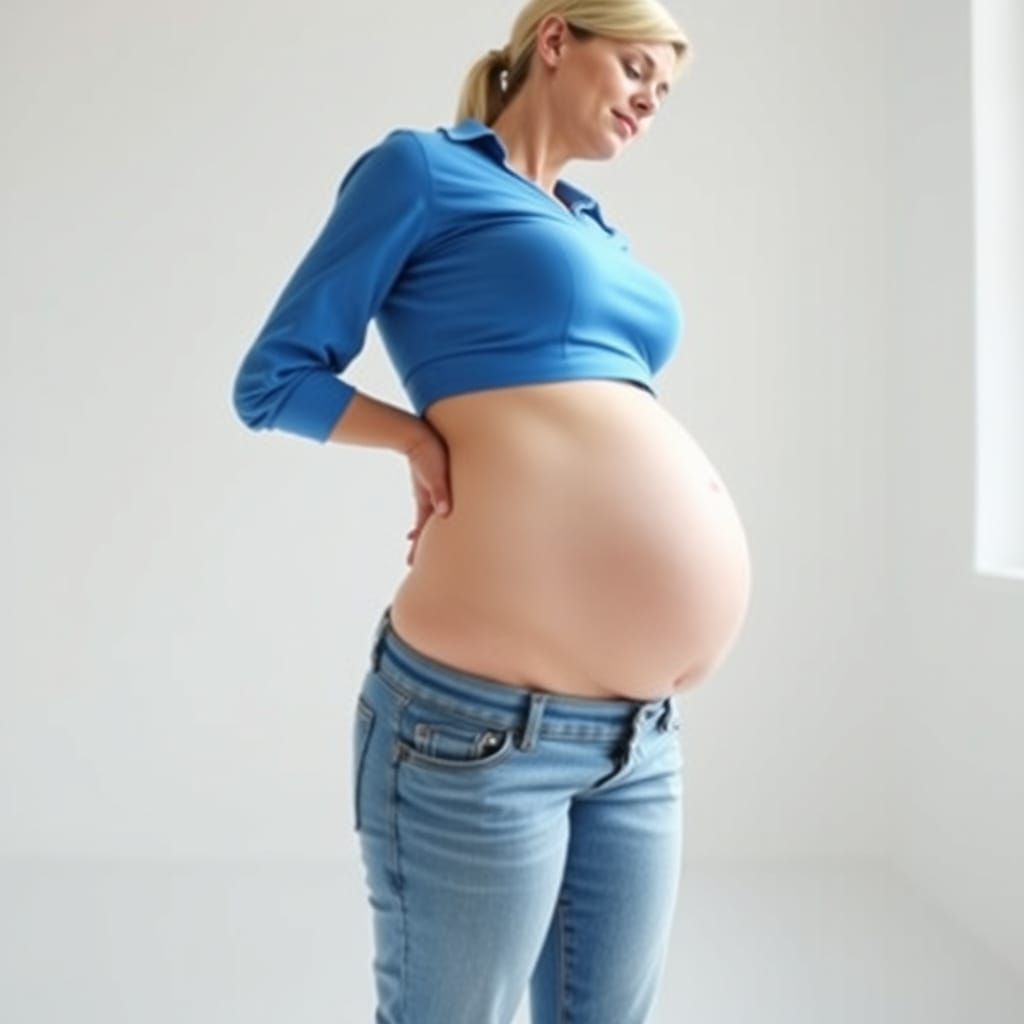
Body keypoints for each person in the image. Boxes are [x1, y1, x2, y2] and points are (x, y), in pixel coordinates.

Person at [232, 1, 752, 1020]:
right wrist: (417, 437)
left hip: (640, 739)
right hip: (476, 729)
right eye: (640, 66)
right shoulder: (422, 171)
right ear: (556, 38)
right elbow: (272, 378)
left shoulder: (595, 230)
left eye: (667, 89)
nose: (653, 99)